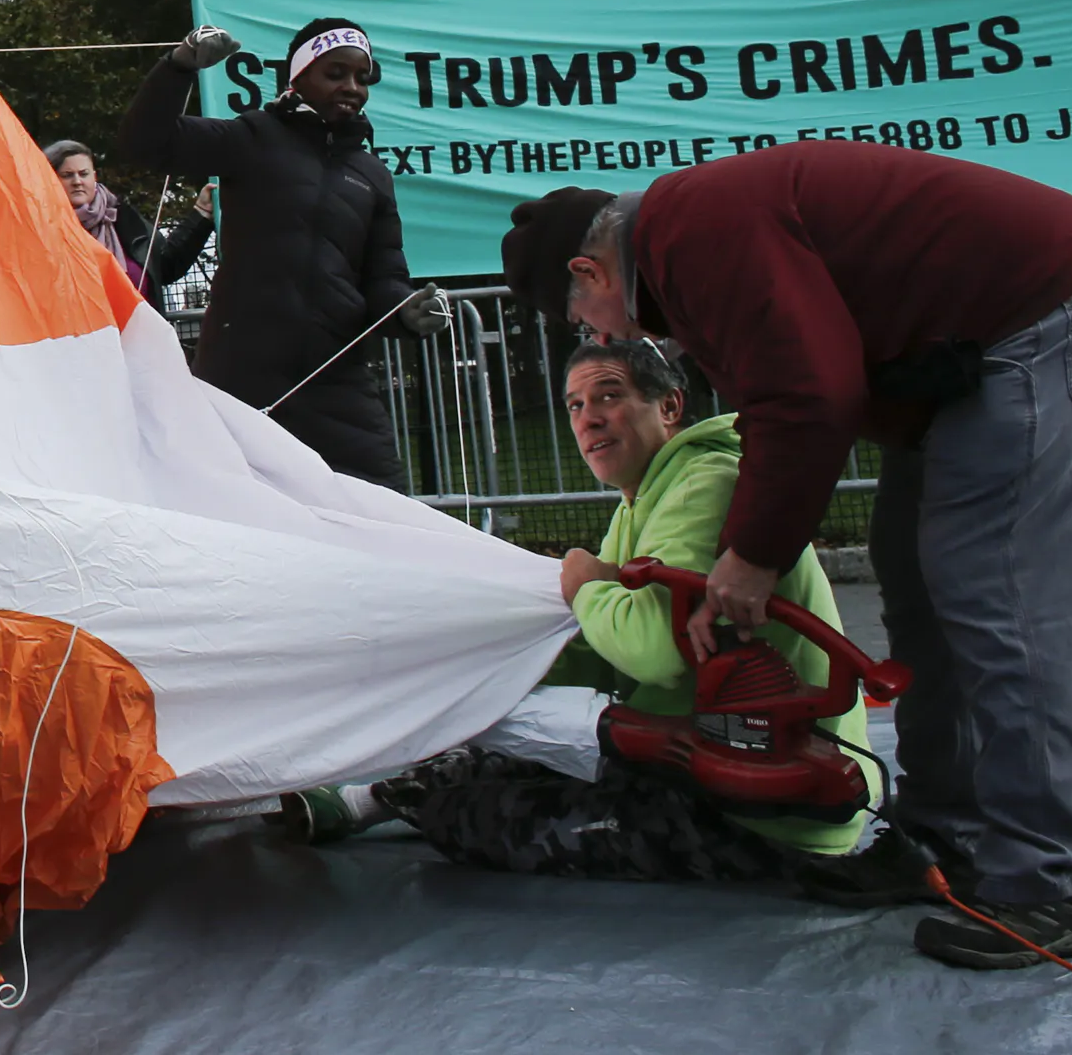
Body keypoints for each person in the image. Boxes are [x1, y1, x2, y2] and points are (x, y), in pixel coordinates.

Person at [500, 141, 1072, 968]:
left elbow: (811, 391)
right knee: (915, 572)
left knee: (999, 596)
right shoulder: (690, 244)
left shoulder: (692, 233)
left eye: (583, 319)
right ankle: (949, 835)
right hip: (970, 343)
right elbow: (782, 397)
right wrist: (743, 550)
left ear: (591, 270)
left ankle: (1050, 878)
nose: (598, 334)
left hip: (1044, 313)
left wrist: (753, 556)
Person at [288, 338, 876, 883]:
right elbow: (600, 654)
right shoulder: (642, 501)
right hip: (697, 762)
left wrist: (586, 589)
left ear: (669, 406)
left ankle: (383, 804)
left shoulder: (707, 484)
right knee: (496, 745)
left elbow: (655, 650)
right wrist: (486, 674)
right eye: (574, 405)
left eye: (609, 397)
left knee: (463, 818)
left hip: (762, 814)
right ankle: (368, 801)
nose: (587, 418)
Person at [111, 19, 447, 485]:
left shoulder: (373, 175)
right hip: (240, 376)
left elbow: (384, 277)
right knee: (239, 525)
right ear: (298, 77)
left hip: (337, 380)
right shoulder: (252, 138)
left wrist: (406, 312)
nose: (352, 87)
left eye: (361, 77)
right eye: (335, 73)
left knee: (387, 513)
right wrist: (179, 67)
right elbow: (145, 143)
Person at [44, 140, 211, 304]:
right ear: (50, 179)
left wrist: (201, 214)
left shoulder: (123, 216)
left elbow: (166, 265)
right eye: (67, 175)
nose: (77, 181)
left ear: (94, 176)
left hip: (138, 329)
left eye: (84, 173)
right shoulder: (40, 229)